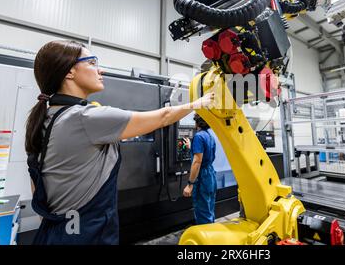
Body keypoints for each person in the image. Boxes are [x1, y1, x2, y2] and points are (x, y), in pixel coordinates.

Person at [25, 40, 214, 245]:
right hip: (85, 234)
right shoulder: (85, 118)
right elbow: (164, 117)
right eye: (92, 62)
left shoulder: (47, 117)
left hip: (56, 231)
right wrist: (199, 103)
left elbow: (37, 187)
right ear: (70, 71)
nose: (101, 70)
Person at [182, 114, 217, 225]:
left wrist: (190, 184)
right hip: (210, 175)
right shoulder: (210, 136)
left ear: (197, 123)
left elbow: (197, 162)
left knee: (202, 212)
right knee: (209, 209)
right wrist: (191, 147)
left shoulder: (198, 136)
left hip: (202, 177)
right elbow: (203, 154)